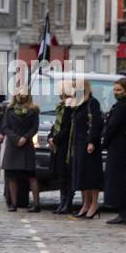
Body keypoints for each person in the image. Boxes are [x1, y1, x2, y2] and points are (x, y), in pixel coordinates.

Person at [0, 89, 40, 212]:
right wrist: (16, 138)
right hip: (13, 146)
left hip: (27, 146)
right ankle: (13, 204)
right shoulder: (9, 110)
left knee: (31, 176)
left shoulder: (33, 110)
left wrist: (25, 138)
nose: (21, 95)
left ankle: (36, 204)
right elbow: (5, 127)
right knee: (11, 176)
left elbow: (35, 127)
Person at [103, 78, 126, 225]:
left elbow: (112, 126)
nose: (116, 93)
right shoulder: (121, 105)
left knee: (119, 180)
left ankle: (124, 212)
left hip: (120, 146)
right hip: (118, 144)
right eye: (115, 90)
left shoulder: (123, 106)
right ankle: (123, 212)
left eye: (119, 90)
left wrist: (105, 141)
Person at [70, 80, 104, 219]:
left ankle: (94, 204)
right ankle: (86, 203)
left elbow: (96, 122)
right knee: (82, 175)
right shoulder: (78, 103)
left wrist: (91, 141)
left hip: (88, 143)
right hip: (78, 143)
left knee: (91, 175)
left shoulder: (92, 103)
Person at [48, 85, 75, 215]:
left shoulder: (70, 108)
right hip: (57, 145)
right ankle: (62, 201)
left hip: (66, 146)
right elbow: (56, 125)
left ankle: (67, 203)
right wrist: (50, 137)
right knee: (60, 175)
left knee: (66, 175)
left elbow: (67, 128)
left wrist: (55, 140)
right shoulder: (60, 107)